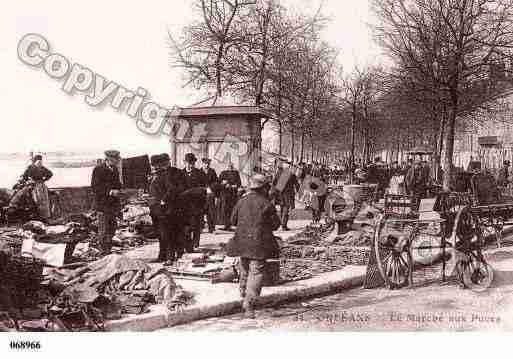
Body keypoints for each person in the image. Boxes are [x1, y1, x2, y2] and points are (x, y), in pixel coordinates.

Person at [226, 174, 281, 319]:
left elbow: (232, 221)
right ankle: (249, 303)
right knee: (256, 272)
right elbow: (276, 224)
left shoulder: (241, 201)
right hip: (259, 244)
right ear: (263, 188)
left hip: (241, 243)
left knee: (244, 269)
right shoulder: (266, 203)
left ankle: (243, 295)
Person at [148, 153, 186, 264]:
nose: (154, 167)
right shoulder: (154, 176)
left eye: (155, 165)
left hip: (164, 209)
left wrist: (164, 200)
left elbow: (171, 189)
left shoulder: (165, 175)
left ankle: (170, 257)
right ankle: (162, 256)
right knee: (160, 234)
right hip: (155, 210)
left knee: (167, 234)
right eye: (153, 165)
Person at [91, 150, 122, 255]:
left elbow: (117, 184)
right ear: (109, 159)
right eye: (116, 159)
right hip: (102, 204)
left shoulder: (115, 169)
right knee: (103, 229)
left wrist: (118, 189)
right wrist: (110, 191)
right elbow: (95, 187)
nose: (118, 161)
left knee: (113, 227)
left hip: (113, 204)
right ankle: (104, 251)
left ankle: (108, 248)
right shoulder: (98, 169)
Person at [181, 153, 207, 251]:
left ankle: (196, 242)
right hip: (184, 205)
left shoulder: (199, 174)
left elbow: (203, 188)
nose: (190, 165)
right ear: (184, 162)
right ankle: (188, 244)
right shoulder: (180, 173)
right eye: (188, 163)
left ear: (194, 163)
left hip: (197, 204)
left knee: (196, 225)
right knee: (186, 226)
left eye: (192, 163)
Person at [21, 154, 53, 220]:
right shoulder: (34, 167)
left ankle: (43, 216)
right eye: (39, 162)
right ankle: (41, 216)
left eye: (40, 162)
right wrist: (43, 180)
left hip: (39, 186)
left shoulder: (39, 168)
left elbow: (50, 174)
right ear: (35, 161)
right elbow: (24, 176)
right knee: (40, 200)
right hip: (37, 186)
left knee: (42, 201)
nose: (40, 163)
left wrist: (43, 180)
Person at [272, 161, 300, 231]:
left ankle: (282, 223)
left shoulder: (278, 173)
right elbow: (296, 184)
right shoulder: (292, 174)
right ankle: (283, 225)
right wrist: (298, 191)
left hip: (280, 194)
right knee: (286, 209)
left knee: (282, 208)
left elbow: (274, 183)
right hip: (288, 194)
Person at [218, 162, 242, 231]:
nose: (230, 167)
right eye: (229, 166)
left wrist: (235, 186)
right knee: (225, 209)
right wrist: (224, 184)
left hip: (233, 193)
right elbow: (219, 182)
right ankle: (226, 224)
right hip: (225, 193)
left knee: (232, 208)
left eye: (231, 166)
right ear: (227, 166)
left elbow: (239, 183)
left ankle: (231, 225)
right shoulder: (223, 173)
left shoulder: (236, 173)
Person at [201, 158, 218, 233]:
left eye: (208, 164)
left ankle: (212, 228)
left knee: (211, 211)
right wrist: (203, 189)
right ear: (202, 164)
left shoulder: (212, 171)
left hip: (210, 194)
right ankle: (200, 227)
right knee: (201, 210)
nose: (207, 165)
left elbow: (216, 182)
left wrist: (211, 188)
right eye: (205, 163)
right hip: (201, 194)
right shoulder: (199, 171)